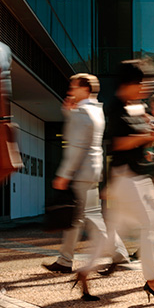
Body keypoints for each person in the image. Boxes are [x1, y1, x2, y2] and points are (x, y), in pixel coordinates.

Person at [74, 60, 154, 303]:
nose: (146, 89)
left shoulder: (135, 107)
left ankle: (85, 271)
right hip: (126, 177)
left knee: (115, 233)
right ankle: (153, 280)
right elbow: (118, 144)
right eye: (143, 84)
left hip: (135, 177)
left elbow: (141, 139)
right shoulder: (114, 109)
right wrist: (147, 136)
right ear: (130, 84)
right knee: (150, 225)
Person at [42, 74, 129, 275]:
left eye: (73, 87)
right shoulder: (95, 110)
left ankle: (116, 254)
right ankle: (66, 260)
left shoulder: (81, 112)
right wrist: (69, 114)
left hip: (80, 172)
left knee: (84, 217)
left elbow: (77, 147)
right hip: (92, 170)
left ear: (85, 89)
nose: (70, 91)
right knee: (83, 216)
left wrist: (64, 174)